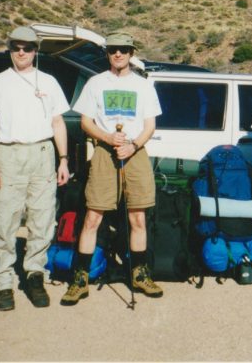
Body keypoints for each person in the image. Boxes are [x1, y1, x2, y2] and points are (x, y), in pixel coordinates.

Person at [61, 31, 163, 305]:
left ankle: (140, 273)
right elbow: (86, 122)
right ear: (107, 53)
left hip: (135, 152)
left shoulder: (143, 86)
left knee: (138, 218)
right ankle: (80, 278)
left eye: (124, 49)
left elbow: (150, 125)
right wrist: (107, 138)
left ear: (131, 53)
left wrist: (133, 145)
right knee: (93, 217)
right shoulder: (95, 83)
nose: (118, 54)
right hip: (105, 153)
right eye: (113, 49)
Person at [0, 26, 70, 311]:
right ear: (9, 50)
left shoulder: (49, 82)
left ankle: (35, 274)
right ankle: (2, 282)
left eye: (27, 48)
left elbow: (58, 123)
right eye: (16, 47)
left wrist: (63, 160)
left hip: (42, 154)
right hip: (8, 155)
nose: (21, 52)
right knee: (5, 221)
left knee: (42, 220)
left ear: (35, 51)